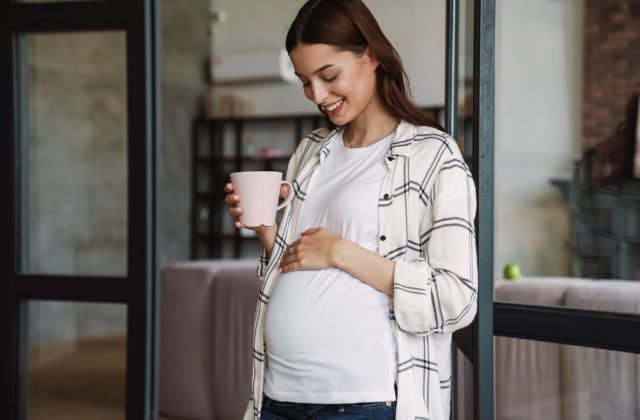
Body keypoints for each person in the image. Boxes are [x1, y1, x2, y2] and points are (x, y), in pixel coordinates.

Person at [224, 0, 478, 418]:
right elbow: (293, 263)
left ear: (371, 56)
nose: (317, 96)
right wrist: (267, 230)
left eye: (328, 76)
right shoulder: (310, 153)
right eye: (306, 82)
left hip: (366, 400)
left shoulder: (432, 155)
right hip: (277, 394)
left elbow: (455, 299)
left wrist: (341, 251)